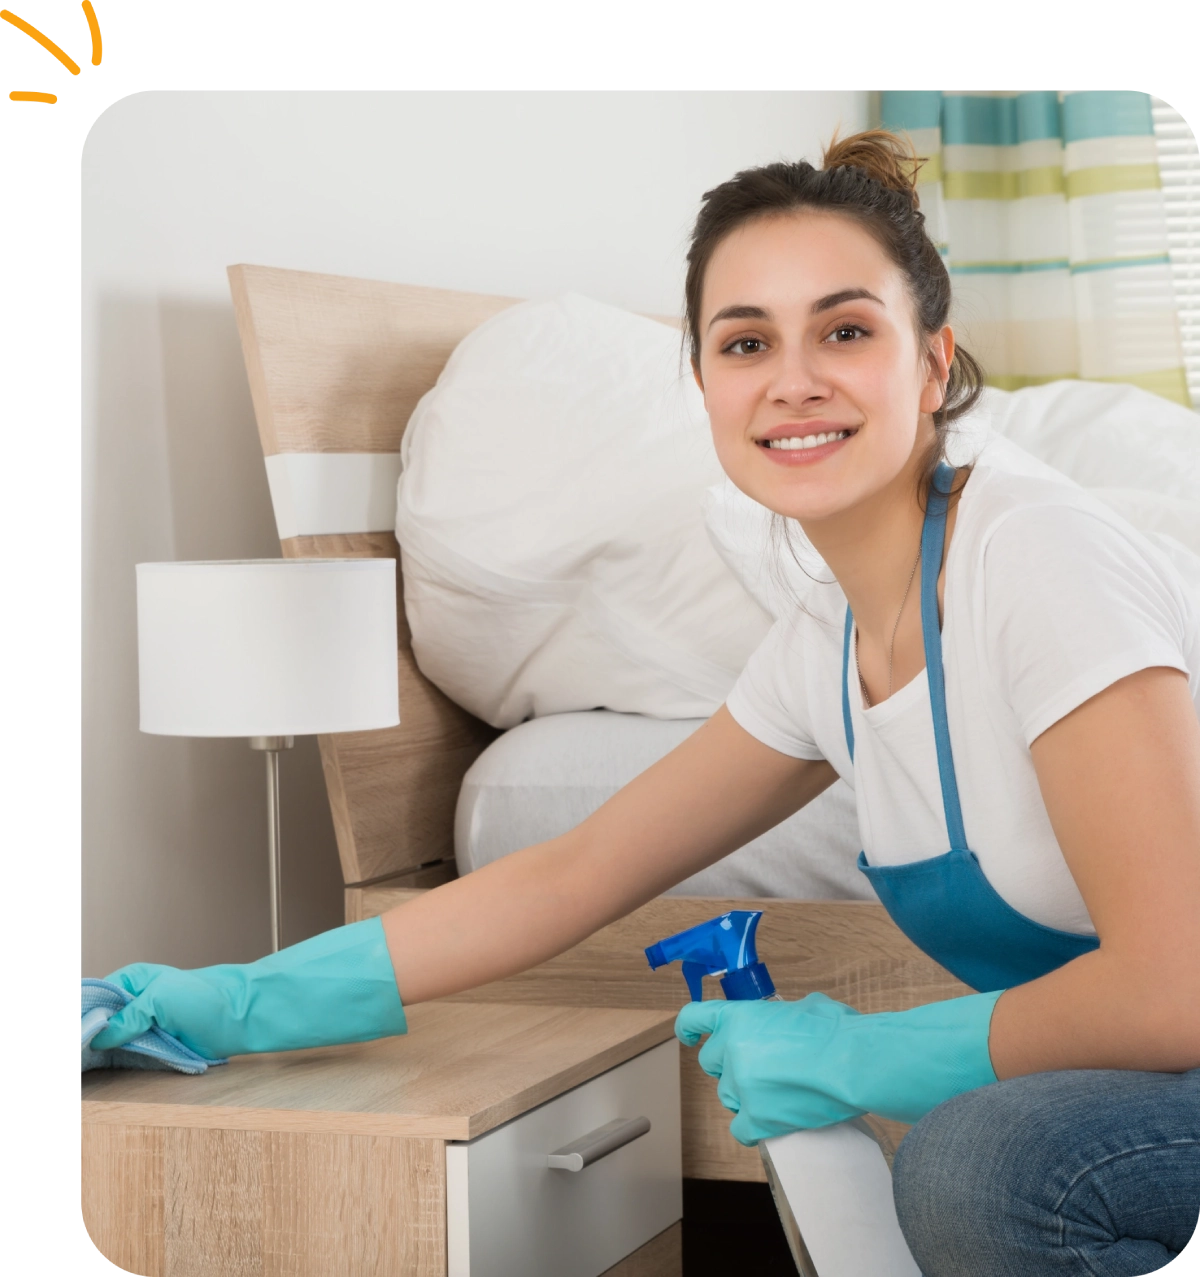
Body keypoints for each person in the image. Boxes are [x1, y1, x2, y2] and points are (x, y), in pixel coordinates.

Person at [91, 131, 1200, 1275]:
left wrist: (862, 1055)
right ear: (707, 382)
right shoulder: (825, 643)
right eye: (746, 341)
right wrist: (221, 999)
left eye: (847, 330)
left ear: (931, 363)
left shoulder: (1036, 555)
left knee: (983, 1164)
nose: (793, 378)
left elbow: (1174, 985)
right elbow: (571, 874)